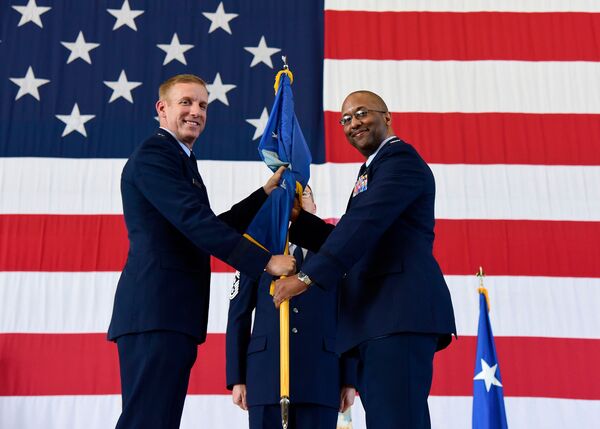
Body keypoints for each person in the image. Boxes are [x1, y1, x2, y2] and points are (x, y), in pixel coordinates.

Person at [107, 74, 296, 429]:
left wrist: (263, 195)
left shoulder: (180, 159)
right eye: (186, 102)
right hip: (156, 313)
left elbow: (204, 225)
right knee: (147, 421)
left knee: (157, 421)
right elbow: (195, 223)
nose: (196, 111)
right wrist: (265, 262)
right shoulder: (155, 155)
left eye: (203, 105)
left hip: (169, 315)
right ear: (162, 109)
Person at [273, 90, 456, 429]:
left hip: (397, 314)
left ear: (387, 117)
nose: (353, 123)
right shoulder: (371, 170)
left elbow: (363, 225)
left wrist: (307, 278)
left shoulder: (400, 161)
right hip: (377, 320)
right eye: (345, 119)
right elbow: (360, 240)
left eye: (361, 113)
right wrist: (299, 222)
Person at [226, 185, 356, 429]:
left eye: (303, 195)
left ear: (314, 207)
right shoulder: (258, 251)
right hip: (266, 378)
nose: (295, 202)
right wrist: (237, 378)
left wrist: (349, 379)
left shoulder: (336, 252)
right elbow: (238, 315)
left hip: (321, 377)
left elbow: (348, 316)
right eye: (290, 197)